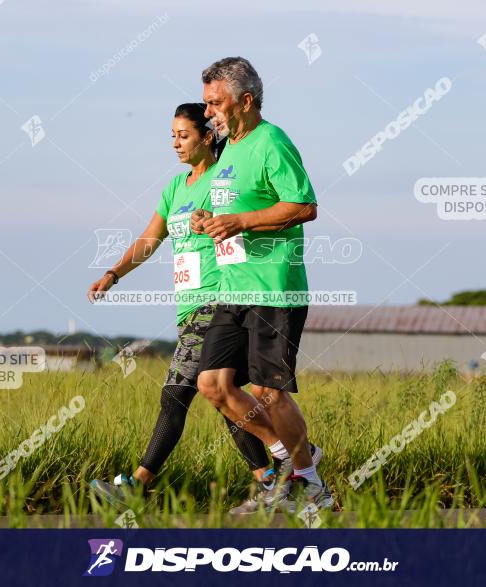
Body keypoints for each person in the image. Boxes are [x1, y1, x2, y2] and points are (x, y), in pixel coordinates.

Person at [86, 103, 316, 512]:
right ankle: (276, 472)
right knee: (220, 391)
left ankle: (138, 484)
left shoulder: (224, 179)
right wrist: (114, 273)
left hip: (219, 296)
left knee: (177, 394)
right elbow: (149, 239)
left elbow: (255, 219)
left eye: (184, 134)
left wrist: (221, 222)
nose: (175, 143)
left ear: (208, 136)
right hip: (187, 306)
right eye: (172, 136)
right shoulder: (176, 187)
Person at [191, 57, 334, 513]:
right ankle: (288, 463)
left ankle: (310, 485)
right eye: (206, 103)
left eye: (216, 103)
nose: (208, 112)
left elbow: (304, 206)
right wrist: (209, 221)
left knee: (268, 393)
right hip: (232, 289)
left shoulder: (272, 142)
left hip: (274, 288)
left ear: (246, 101)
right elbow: (233, 211)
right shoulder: (229, 149)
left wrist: (240, 222)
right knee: (213, 384)